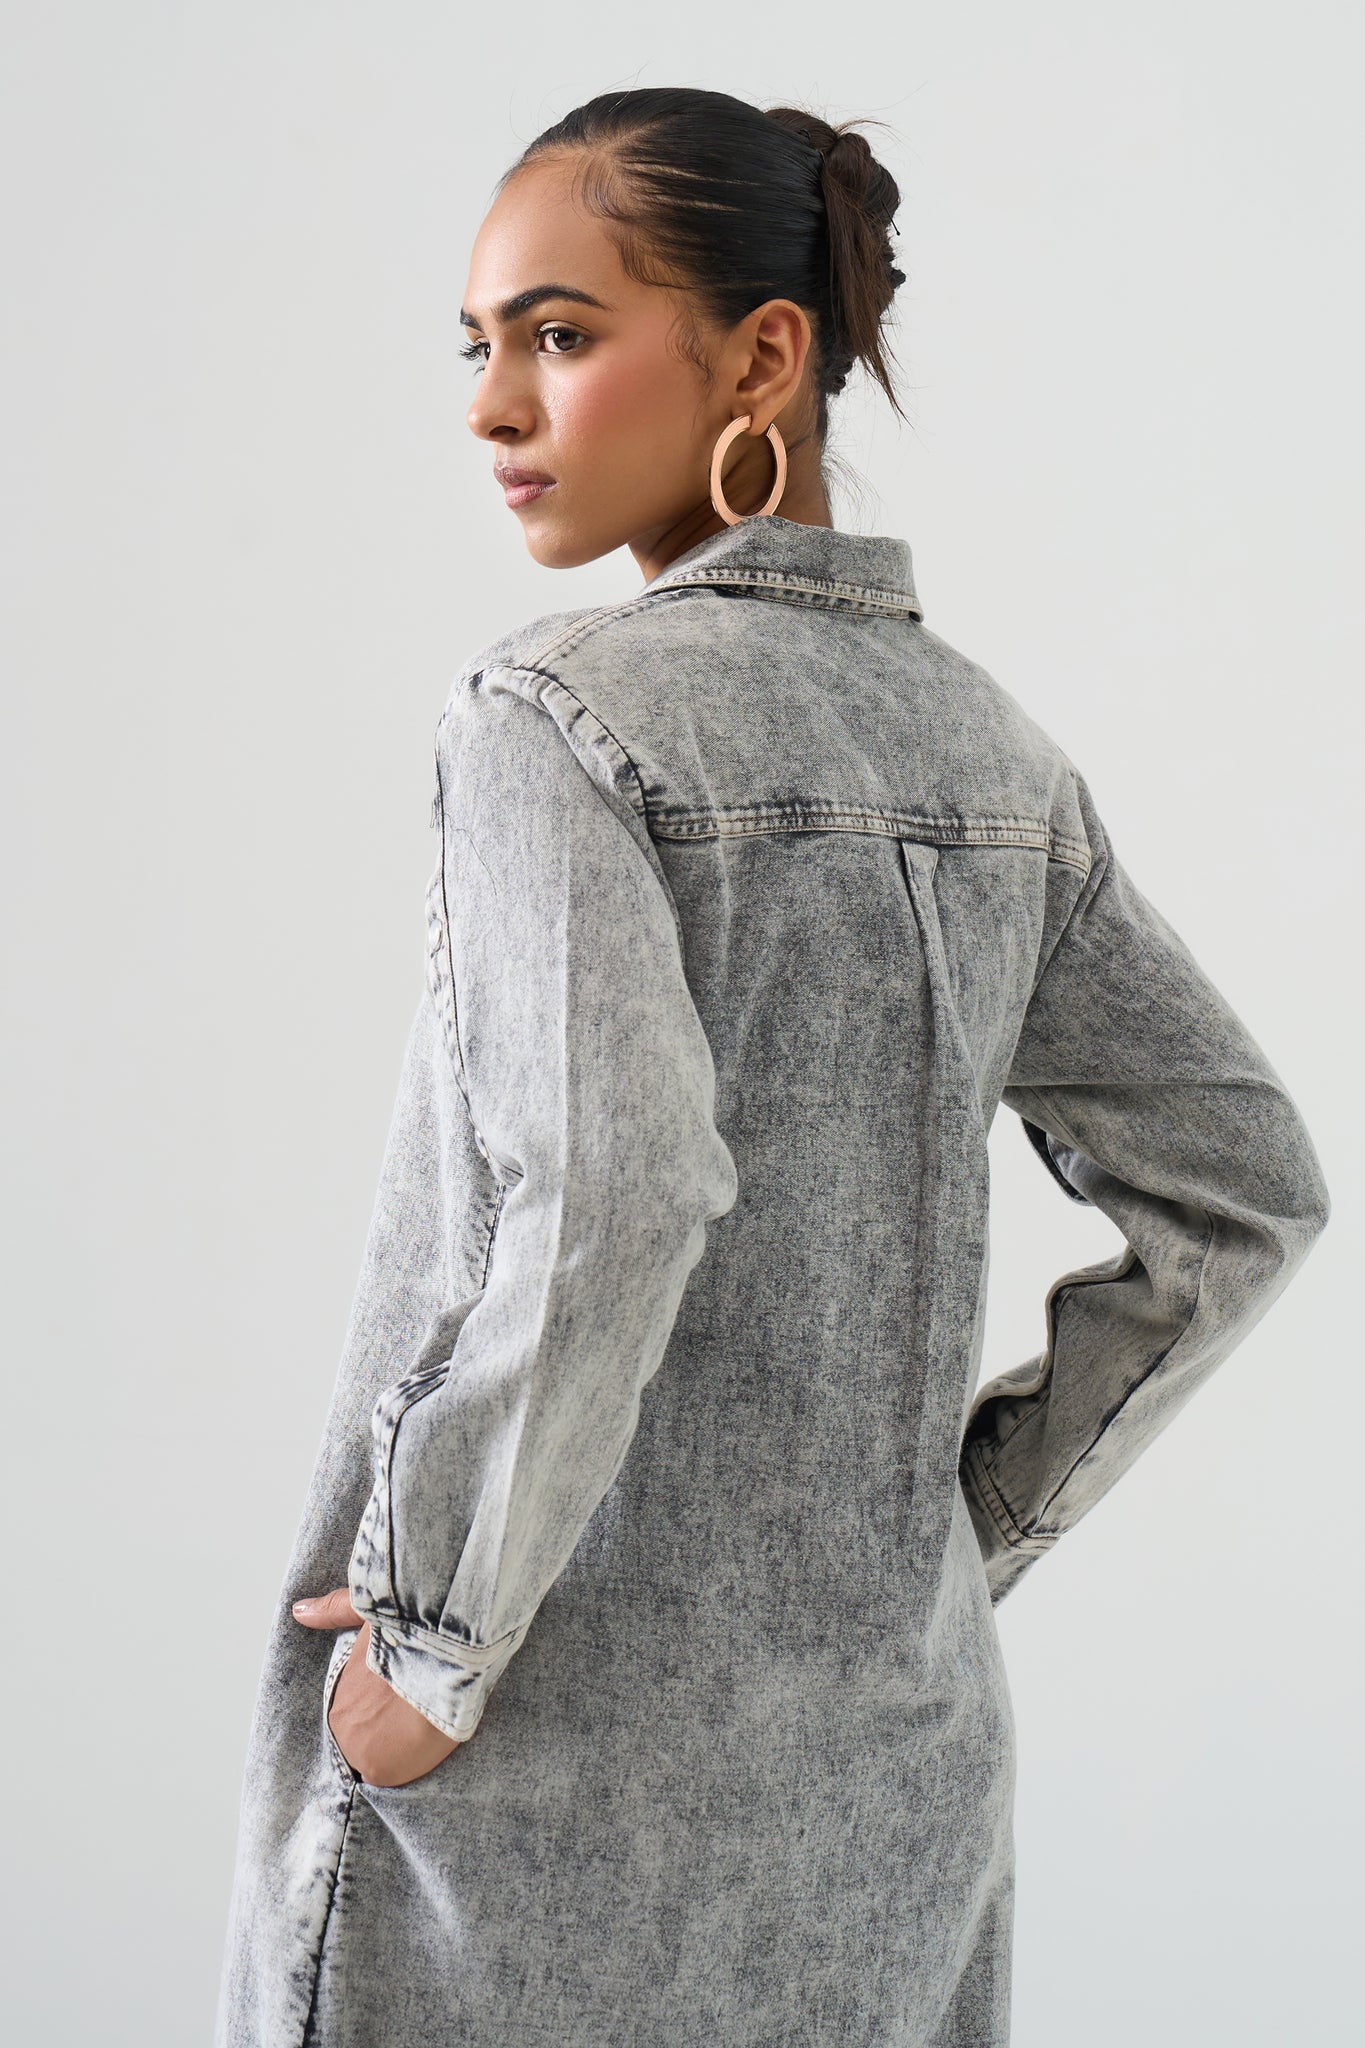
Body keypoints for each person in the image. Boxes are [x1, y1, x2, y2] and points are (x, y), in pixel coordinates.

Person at [214, 86, 1331, 2048]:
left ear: (759, 356)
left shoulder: (551, 719)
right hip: (891, 1790)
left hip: (539, 1797)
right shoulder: (992, 758)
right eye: (477, 348)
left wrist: (437, 1648)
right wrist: (953, 1529)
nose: (493, 406)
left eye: (560, 333)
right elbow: (1242, 1193)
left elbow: (622, 1183)